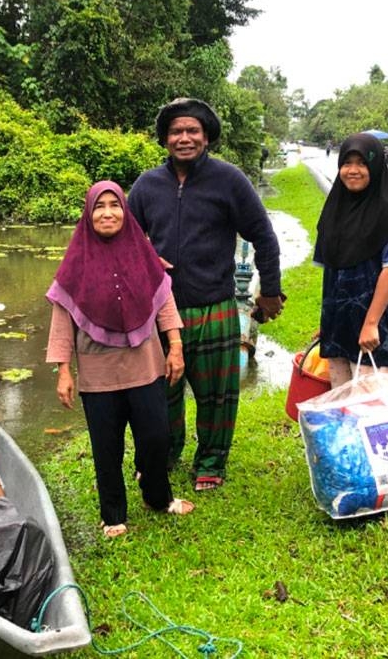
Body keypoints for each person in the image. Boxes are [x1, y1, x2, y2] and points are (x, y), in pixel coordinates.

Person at [127, 98, 284, 492]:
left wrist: (271, 292)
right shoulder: (147, 186)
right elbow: (124, 241)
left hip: (214, 303)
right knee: (159, 392)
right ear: (165, 138)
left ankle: (211, 462)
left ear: (207, 137)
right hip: (161, 309)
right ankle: (161, 455)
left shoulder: (229, 181)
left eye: (192, 131)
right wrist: (146, 258)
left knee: (216, 393)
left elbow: (263, 236)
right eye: (176, 131)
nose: (184, 138)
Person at [45, 180, 194, 538]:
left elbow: (164, 302)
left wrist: (175, 347)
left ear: (125, 211)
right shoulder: (75, 262)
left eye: (115, 205)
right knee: (105, 448)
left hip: (145, 366)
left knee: (157, 438)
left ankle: (157, 498)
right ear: (88, 213)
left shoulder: (143, 254)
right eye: (99, 206)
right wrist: (64, 370)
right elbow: (62, 319)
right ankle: (113, 515)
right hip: (98, 375)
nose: (108, 212)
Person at [313, 132, 388, 387]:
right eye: (347, 163)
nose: (353, 170)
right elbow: (331, 274)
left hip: (373, 329)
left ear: (375, 166)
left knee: (370, 411)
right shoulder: (334, 211)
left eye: (362, 163)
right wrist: (327, 323)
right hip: (339, 325)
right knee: (341, 406)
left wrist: (371, 324)